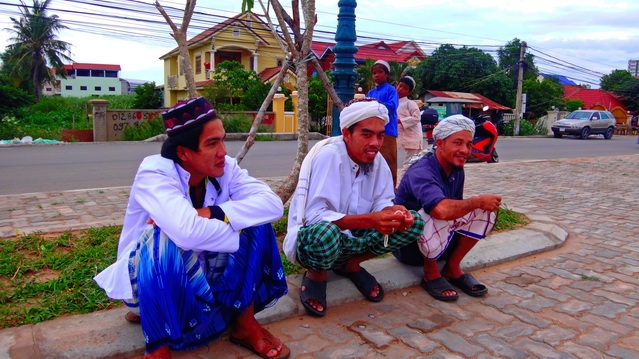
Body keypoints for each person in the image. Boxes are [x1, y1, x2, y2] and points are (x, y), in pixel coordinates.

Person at [94, 97, 289, 359]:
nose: (223, 152)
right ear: (183, 153)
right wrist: (231, 229)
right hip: (155, 281)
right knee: (161, 236)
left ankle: (244, 325)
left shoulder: (225, 167)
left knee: (255, 222)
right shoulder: (154, 173)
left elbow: (273, 205)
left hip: (205, 266)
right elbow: (186, 232)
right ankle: (158, 349)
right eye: (212, 143)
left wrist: (214, 212)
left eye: (222, 139)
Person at [283, 98, 425, 317]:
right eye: (366, 134)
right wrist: (372, 219)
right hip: (317, 239)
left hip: (353, 238)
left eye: (380, 135)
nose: (375, 143)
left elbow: (383, 202)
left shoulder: (376, 161)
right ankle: (316, 274)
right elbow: (315, 217)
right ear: (346, 134)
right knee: (324, 234)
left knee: (415, 222)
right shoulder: (330, 156)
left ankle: (350, 264)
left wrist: (394, 214)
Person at [394, 115, 502, 302]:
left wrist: (477, 205)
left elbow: (456, 209)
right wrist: (475, 201)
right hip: (409, 247)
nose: (464, 150)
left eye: (468, 144)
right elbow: (441, 211)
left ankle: (452, 267)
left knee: (485, 211)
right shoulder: (422, 171)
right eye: (458, 143)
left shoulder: (456, 168)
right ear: (440, 143)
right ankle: (430, 272)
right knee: (436, 210)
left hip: (441, 242)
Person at [367, 60, 400, 187]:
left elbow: (392, 106)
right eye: (374, 73)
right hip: (372, 131)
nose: (376, 75)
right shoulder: (371, 93)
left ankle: (391, 190)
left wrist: (375, 105)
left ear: (387, 75)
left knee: (388, 162)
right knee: (373, 161)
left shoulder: (391, 90)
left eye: (380, 72)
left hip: (388, 132)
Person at [395, 75, 423, 182]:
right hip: (402, 136)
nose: (400, 89)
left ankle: (401, 185)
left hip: (413, 136)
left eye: (405, 88)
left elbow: (417, 118)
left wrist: (400, 121)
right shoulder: (394, 102)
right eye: (400, 86)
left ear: (409, 92)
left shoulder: (410, 103)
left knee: (409, 163)